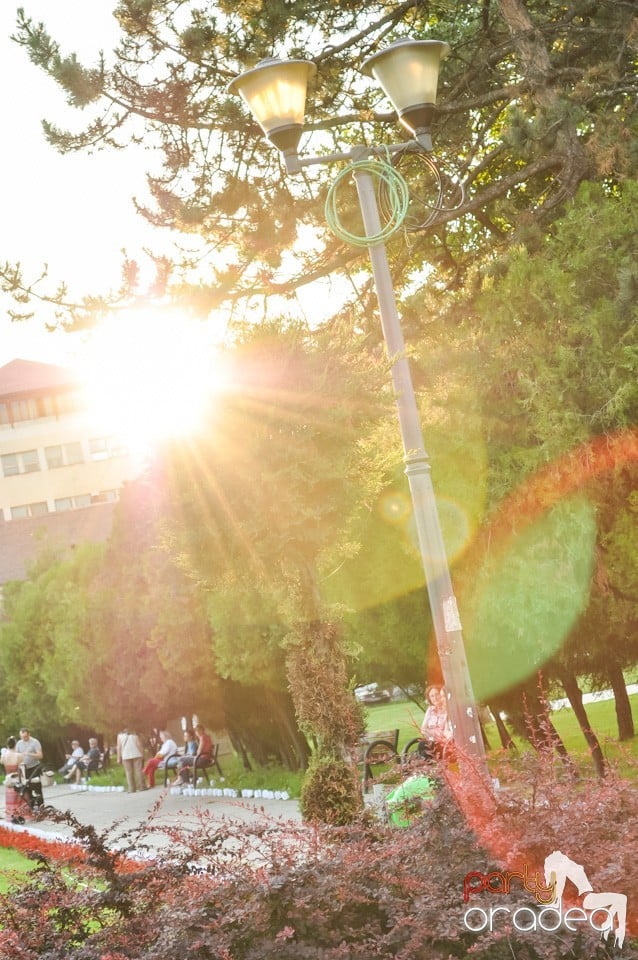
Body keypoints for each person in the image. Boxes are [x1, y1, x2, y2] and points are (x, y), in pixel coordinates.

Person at [420, 685, 452, 760]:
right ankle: (425, 765)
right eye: (432, 696)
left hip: (444, 743)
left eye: (437, 694)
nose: (435, 698)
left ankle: (425, 766)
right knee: (423, 747)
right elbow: (423, 729)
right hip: (431, 741)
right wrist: (436, 733)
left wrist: (432, 732)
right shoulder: (430, 710)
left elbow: (445, 731)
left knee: (423, 746)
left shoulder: (447, 709)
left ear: (441, 695)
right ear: (429, 699)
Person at [116, 726, 146, 794]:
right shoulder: (135, 736)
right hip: (137, 755)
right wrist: (142, 754)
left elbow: (119, 747)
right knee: (138, 771)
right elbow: (139, 745)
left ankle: (132, 789)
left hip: (125, 756)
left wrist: (118, 758)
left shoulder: (119, 736)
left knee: (129, 772)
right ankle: (142, 787)